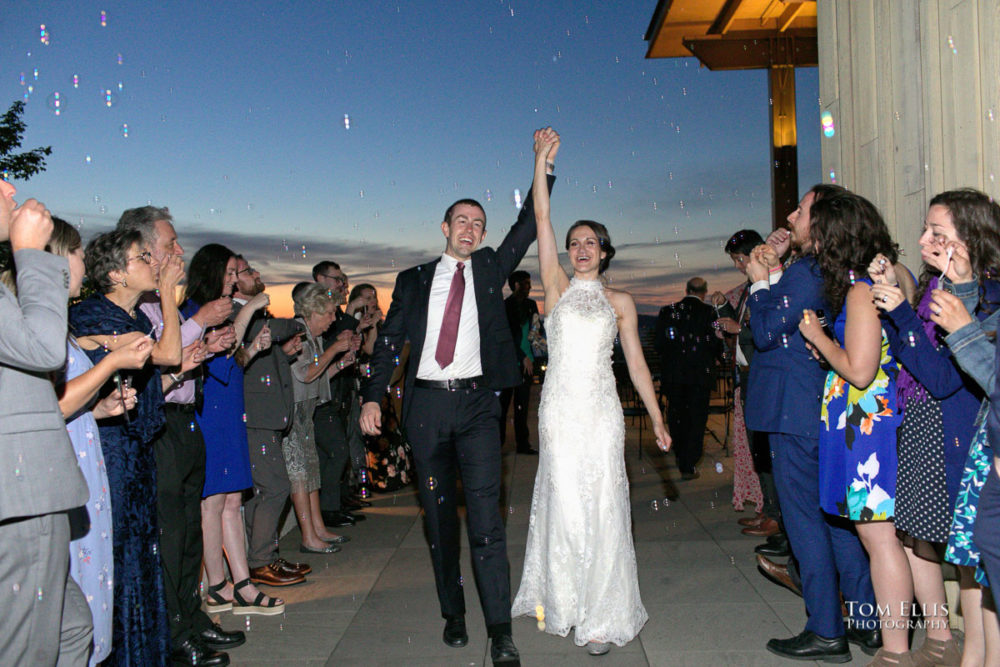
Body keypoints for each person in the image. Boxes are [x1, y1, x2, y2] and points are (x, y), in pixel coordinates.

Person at [359, 134, 556, 667]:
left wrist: (541, 164)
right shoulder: (414, 280)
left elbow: (527, 224)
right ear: (445, 228)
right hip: (425, 411)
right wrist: (373, 396)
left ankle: (500, 631)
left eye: (477, 223)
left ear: (483, 235)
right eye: (461, 221)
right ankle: (453, 612)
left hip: (476, 409)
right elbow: (390, 343)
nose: (469, 229)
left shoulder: (492, 269)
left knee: (488, 521)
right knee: (440, 519)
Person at [510, 129, 669, 657]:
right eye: (575, 242)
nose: (580, 249)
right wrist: (540, 162)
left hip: (602, 413)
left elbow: (638, 366)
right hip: (558, 412)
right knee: (566, 506)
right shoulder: (554, 286)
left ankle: (601, 616)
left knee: (601, 507)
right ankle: (565, 601)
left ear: (605, 252)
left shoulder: (619, 300)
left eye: (590, 243)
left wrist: (657, 417)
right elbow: (540, 218)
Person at [744, 184, 880, 663]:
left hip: (793, 410)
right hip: (815, 408)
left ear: (819, 224)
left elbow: (763, 332)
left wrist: (760, 279)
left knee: (805, 523)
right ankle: (865, 621)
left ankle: (826, 628)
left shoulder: (807, 272)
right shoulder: (830, 269)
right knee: (837, 519)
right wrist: (775, 269)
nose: (790, 214)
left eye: (799, 210)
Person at [871, 188, 1000, 667]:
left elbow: (945, 378)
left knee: (972, 558)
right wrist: (898, 309)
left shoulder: (988, 296)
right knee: (946, 546)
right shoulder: (937, 283)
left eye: (937, 232)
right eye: (926, 230)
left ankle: (966, 651)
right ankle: (953, 646)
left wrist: (900, 312)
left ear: (971, 239)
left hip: (961, 431)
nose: (923, 239)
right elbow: (918, 356)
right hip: (929, 422)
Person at [117, 206, 245, 665]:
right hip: (160, 424)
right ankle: (174, 634)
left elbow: (181, 357)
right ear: (142, 248)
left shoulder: (165, 298)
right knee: (170, 534)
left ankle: (193, 619)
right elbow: (155, 357)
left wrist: (206, 346)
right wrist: (201, 322)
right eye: (170, 244)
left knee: (189, 530)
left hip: (188, 417)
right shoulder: (140, 304)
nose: (178, 251)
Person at [24, 218, 151, 666]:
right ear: (59, 259)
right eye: (77, 253)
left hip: (82, 462)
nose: (84, 262)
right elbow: (49, 403)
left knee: (84, 609)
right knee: (69, 609)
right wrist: (111, 362)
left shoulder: (56, 323)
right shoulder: (37, 326)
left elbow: (64, 401)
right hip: (61, 473)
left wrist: (99, 409)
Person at [797, 191, 908, 664]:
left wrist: (818, 337)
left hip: (866, 429)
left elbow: (860, 371)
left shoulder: (862, 288)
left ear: (830, 230)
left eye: (806, 218)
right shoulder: (890, 274)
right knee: (888, 540)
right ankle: (914, 640)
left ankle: (895, 649)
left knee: (879, 541)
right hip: (872, 421)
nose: (797, 223)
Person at [69, 227, 185, 665]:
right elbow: (168, 352)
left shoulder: (134, 320)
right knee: (117, 560)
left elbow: (160, 372)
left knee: (141, 557)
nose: (155, 262)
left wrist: (176, 373)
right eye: (144, 257)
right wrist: (170, 296)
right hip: (110, 453)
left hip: (138, 451)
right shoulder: (95, 317)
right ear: (116, 273)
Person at [0, 182, 94, 666]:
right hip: (18, 496)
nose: (9, 187)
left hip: (24, 493)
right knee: (26, 651)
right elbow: (43, 348)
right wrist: (29, 253)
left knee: (73, 627)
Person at [180, 244, 282, 618]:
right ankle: (219, 584)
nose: (232, 280)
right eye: (227, 274)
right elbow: (209, 360)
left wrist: (252, 349)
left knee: (233, 500)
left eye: (234, 273)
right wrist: (251, 310)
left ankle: (241, 583)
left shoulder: (218, 312)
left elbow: (230, 361)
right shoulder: (194, 311)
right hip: (209, 413)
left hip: (229, 409)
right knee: (212, 503)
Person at [233, 257, 312, 588]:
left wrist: (284, 353)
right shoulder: (236, 315)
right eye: (248, 271)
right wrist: (292, 326)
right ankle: (261, 561)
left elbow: (267, 351)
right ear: (235, 281)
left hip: (267, 417)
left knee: (262, 491)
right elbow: (284, 328)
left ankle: (263, 557)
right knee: (275, 486)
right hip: (255, 418)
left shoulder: (252, 317)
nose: (257, 274)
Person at [287, 283, 357, 553]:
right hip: (293, 414)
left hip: (307, 412)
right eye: (328, 313)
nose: (332, 319)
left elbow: (317, 378)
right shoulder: (298, 333)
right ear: (312, 312)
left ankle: (317, 528)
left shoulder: (312, 336)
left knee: (312, 473)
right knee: (300, 476)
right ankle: (308, 536)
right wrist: (334, 350)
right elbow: (304, 374)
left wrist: (340, 363)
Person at [716, 229, 773, 530]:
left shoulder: (768, 285)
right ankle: (768, 511)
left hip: (762, 378)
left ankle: (776, 519)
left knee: (765, 451)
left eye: (740, 259)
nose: (738, 266)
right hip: (748, 377)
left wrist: (740, 330)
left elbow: (772, 327)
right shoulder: (748, 289)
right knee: (758, 452)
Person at [655, 276, 722, 480]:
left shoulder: (668, 312)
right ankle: (689, 462)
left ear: (686, 291)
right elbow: (715, 344)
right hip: (699, 377)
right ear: (704, 292)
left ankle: (680, 456)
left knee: (676, 419)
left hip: (674, 376)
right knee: (696, 420)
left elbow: (659, 344)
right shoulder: (709, 313)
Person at [499, 270, 539, 455]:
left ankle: (523, 445)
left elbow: (536, 329)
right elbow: (505, 338)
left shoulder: (531, 305)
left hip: (527, 363)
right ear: (516, 285)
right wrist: (521, 356)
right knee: (503, 406)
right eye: (526, 283)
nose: (530, 287)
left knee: (522, 406)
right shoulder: (505, 306)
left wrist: (536, 340)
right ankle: (498, 444)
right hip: (508, 364)